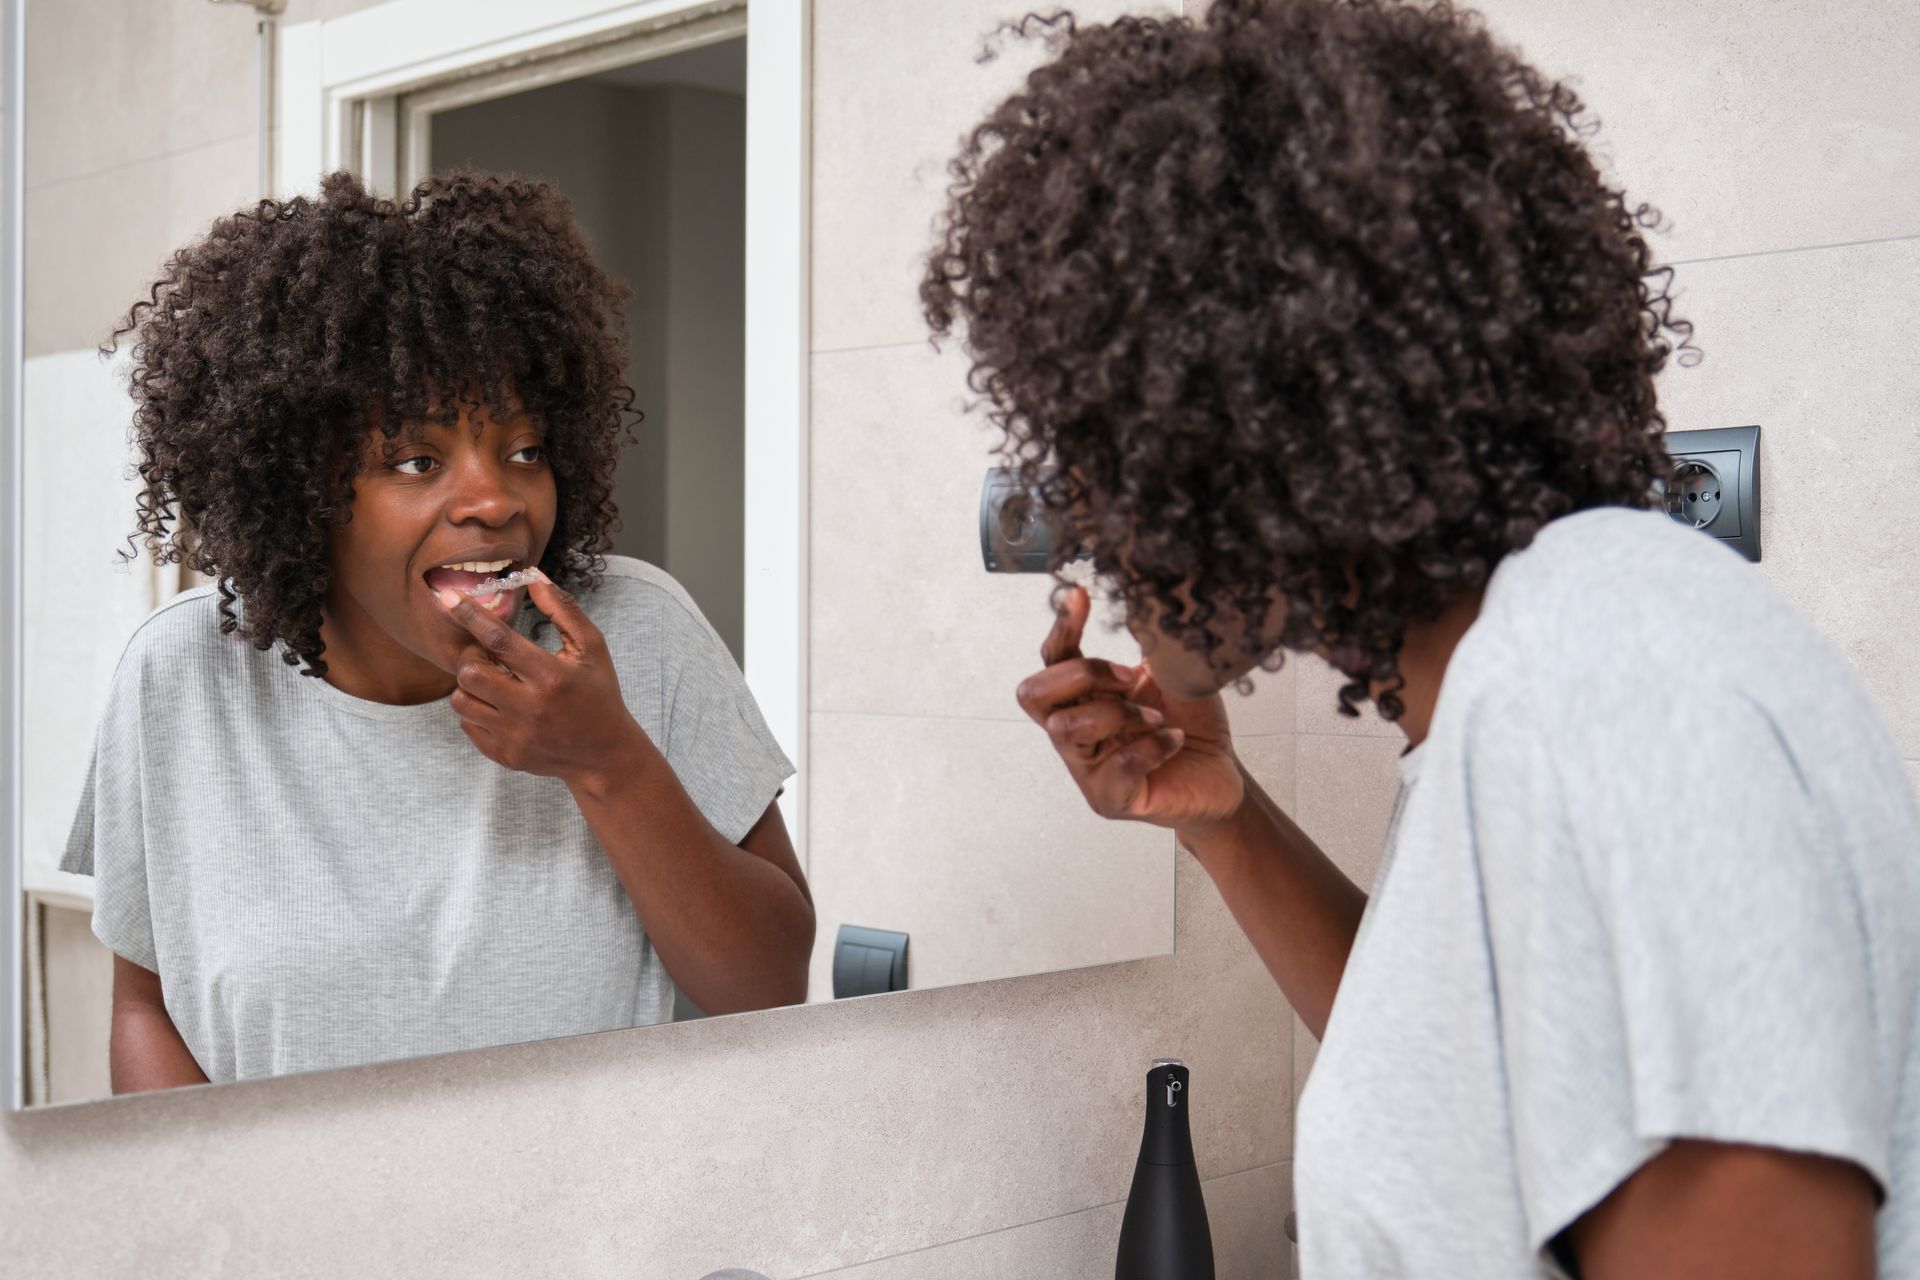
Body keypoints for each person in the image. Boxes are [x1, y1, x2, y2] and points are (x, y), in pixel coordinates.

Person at [922, 2, 1918, 1276]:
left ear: (1256, 422)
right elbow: (1467, 1089)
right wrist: (1226, 816)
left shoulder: (1610, 681)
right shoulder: (1517, 684)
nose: (1089, 519)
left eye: (1107, 445)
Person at [62, 171, 813, 1091]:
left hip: (590, 1228)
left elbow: (770, 991)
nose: (496, 499)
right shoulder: (182, 675)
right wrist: (211, 1218)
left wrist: (608, 762)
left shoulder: (636, 632)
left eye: (524, 450)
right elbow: (146, 1006)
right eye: (417, 460)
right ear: (304, 492)